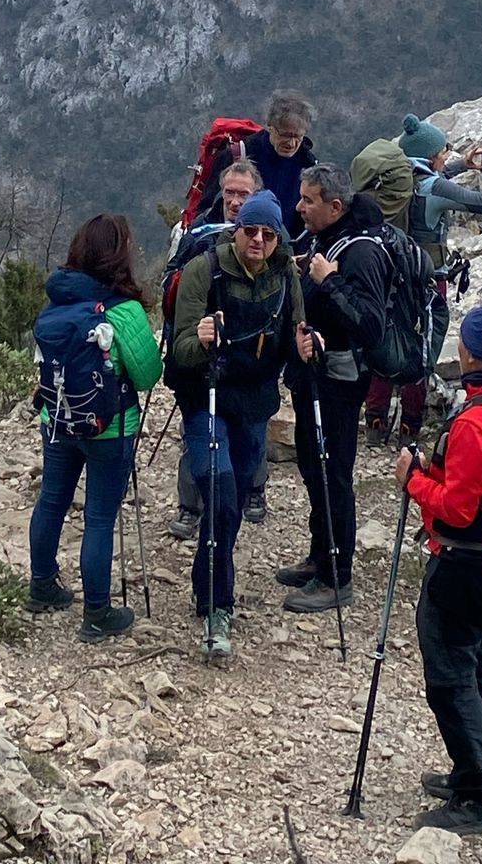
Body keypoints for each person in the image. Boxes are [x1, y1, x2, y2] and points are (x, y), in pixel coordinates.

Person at [395, 305, 482, 837]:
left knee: (451, 675)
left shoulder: (476, 422)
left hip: (466, 565)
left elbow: (457, 509)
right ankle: (480, 769)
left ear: (469, 354)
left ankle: (476, 797)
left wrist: (413, 480)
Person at [167, 193, 310, 659]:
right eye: (251, 231)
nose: (259, 241)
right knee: (222, 495)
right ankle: (218, 608)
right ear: (236, 231)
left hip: (254, 404)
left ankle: (206, 580)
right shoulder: (203, 271)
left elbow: (293, 335)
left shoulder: (285, 274)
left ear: (278, 238)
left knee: (231, 502)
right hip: (205, 396)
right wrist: (200, 339)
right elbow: (179, 350)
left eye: (268, 234)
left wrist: (304, 350)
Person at [27, 213, 162, 642]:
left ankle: (42, 585)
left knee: (52, 501)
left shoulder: (58, 302)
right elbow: (147, 375)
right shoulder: (123, 311)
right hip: (110, 428)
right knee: (100, 518)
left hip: (57, 420)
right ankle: (97, 613)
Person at [278, 163, 389, 613]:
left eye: (309, 200)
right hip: (314, 376)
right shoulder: (326, 239)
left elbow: (370, 326)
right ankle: (319, 556)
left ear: (336, 206)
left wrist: (328, 281)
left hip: (341, 385)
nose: (299, 207)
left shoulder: (361, 252)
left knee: (333, 474)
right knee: (312, 465)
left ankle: (336, 576)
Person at [367, 114, 482, 443]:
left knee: (386, 342)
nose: (446, 155)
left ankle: (375, 423)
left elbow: (432, 175)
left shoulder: (397, 179)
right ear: (431, 156)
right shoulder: (435, 187)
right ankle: (409, 427)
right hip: (428, 281)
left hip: (390, 275)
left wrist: (461, 165)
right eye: (443, 151)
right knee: (422, 348)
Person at [165, 160, 274, 538]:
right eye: (229, 192)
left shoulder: (269, 236)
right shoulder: (200, 234)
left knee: (254, 428)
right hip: (204, 354)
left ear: (256, 195)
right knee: (198, 430)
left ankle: (254, 490)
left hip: (252, 358)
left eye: (243, 194)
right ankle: (190, 506)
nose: (235, 201)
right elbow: (173, 284)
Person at [198, 90, 317, 227]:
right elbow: (207, 209)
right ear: (270, 127)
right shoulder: (238, 155)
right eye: (285, 135)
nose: (291, 143)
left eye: (298, 137)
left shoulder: (308, 165)